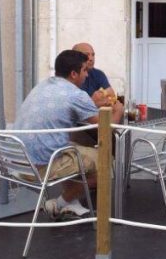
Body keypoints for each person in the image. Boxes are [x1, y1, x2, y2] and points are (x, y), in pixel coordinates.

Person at [14, 49, 124, 219]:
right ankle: (59, 203)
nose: (87, 74)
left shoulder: (43, 85)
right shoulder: (76, 95)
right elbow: (105, 129)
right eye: (84, 70)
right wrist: (119, 110)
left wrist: (90, 103)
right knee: (105, 163)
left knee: (74, 149)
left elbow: (64, 109)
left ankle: (71, 202)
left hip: (18, 161)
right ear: (73, 74)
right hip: (40, 167)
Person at [73, 42, 115, 107]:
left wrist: (102, 95)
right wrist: (92, 101)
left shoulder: (98, 74)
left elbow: (111, 94)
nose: (91, 58)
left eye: (93, 55)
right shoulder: (70, 76)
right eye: (87, 55)